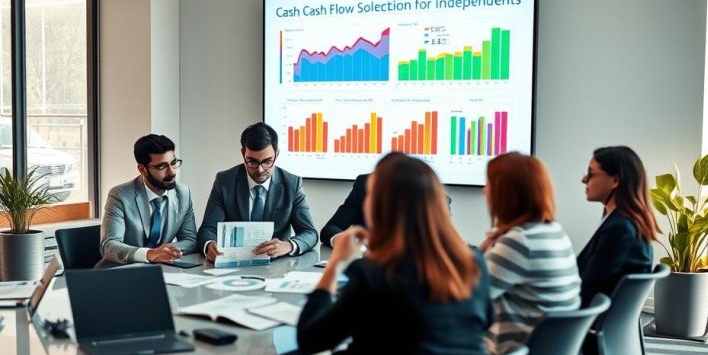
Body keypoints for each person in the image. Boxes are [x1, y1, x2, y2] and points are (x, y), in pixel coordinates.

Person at [277, 153, 492, 355]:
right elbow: (484, 323)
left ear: (379, 207)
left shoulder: (374, 274)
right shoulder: (475, 263)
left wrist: (336, 265)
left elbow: (310, 338)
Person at [480, 152, 581, 355]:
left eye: (490, 184)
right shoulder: (553, 231)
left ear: (506, 194)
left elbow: (466, 301)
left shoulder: (519, 242)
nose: (485, 191)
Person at [198, 122, 317, 261]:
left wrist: (289, 245)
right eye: (252, 162)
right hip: (234, 262)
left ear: (277, 154)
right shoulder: (225, 181)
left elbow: (310, 233)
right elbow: (207, 229)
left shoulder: (292, 184)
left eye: (267, 161)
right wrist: (209, 245)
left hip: (277, 265)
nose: (260, 170)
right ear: (243, 153)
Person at [97, 134, 198, 267]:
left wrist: (166, 252)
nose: (172, 172)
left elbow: (190, 240)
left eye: (173, 163)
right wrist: (149, 254)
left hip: (163, 269)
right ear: (142, 169)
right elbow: (109, 246)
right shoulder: (120, 195)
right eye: (162, 167)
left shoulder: (183, 193)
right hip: (120, 271)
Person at [576, 146, 658, 306]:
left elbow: (587, 291)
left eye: (591, 173)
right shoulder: (622, 223)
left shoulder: (620, 230)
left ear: (615, 181)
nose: (584, 179)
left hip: (586, 319)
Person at [320, 173, 453, 247]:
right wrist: (340, 240)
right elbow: (330, 228)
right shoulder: (365, 184)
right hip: (370, 264)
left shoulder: (425, 191)